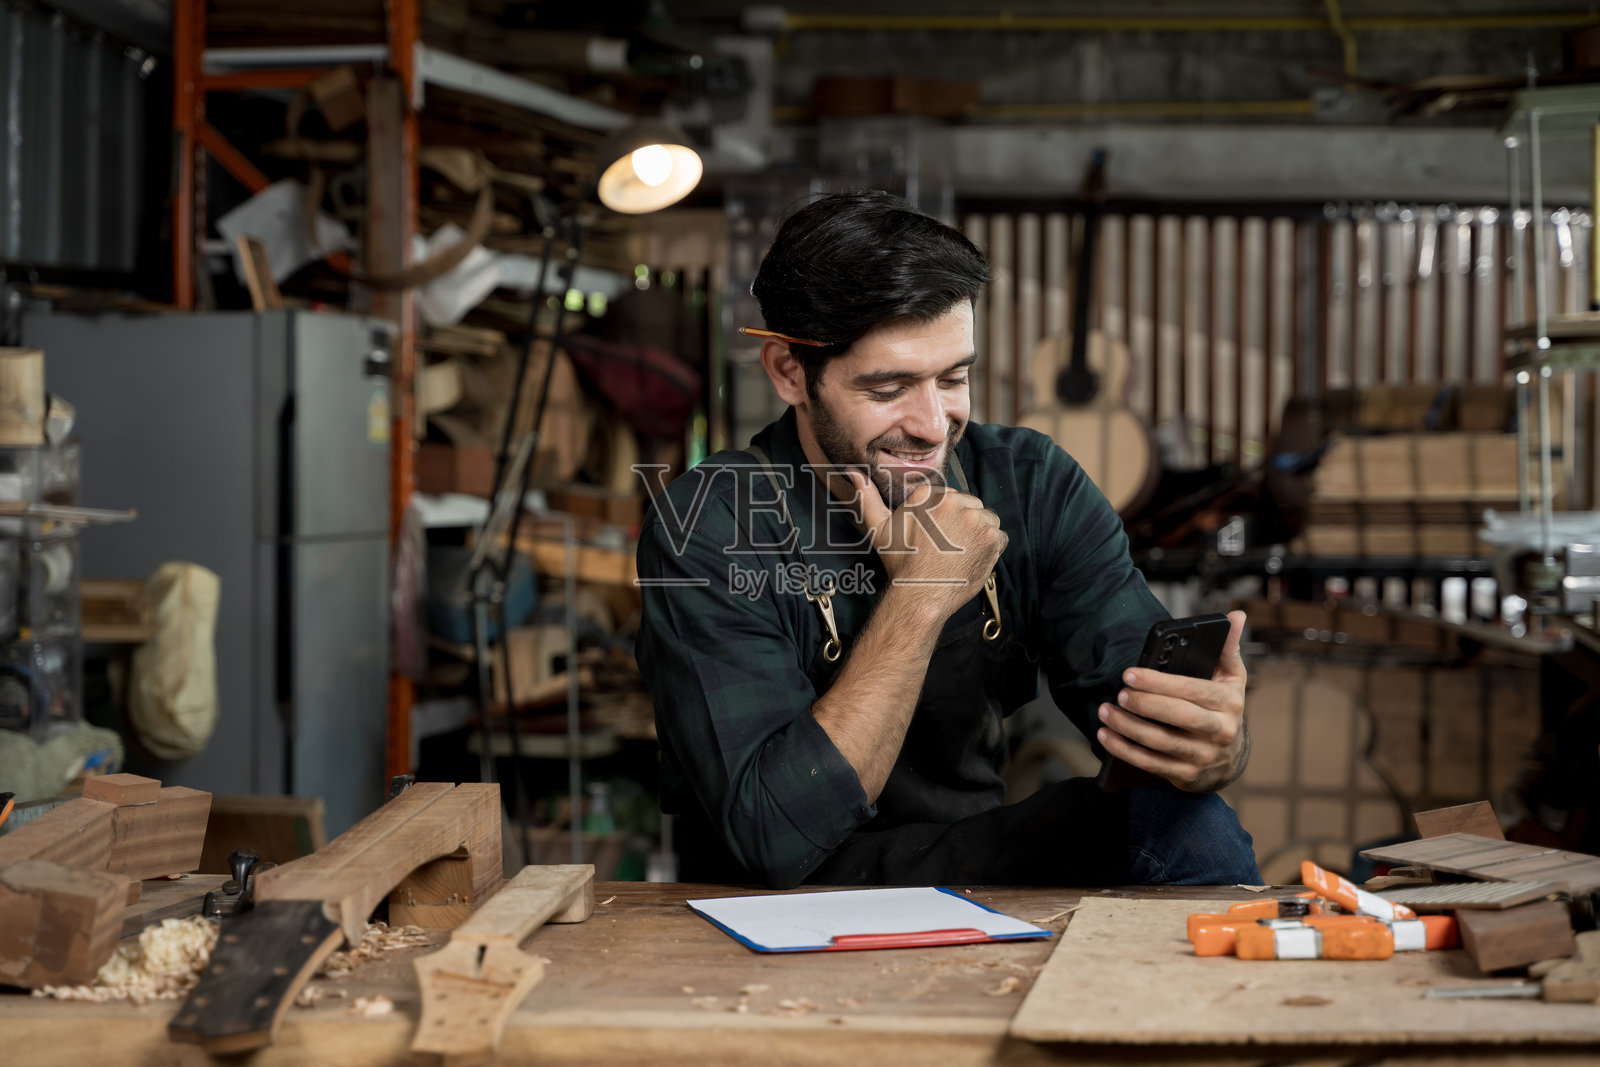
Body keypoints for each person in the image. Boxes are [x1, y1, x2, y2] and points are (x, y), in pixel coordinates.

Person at [634, 190, 1260, 889]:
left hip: (963, 868)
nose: (934, 424)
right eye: (888, 387)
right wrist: (923, 591)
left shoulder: (1030, 483)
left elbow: (1150, 719)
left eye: (954, 377)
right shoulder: (713, 525)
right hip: (771, 901)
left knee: (1185, 826)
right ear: (790, 372)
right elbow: (776, 836)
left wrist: (1209, 743)